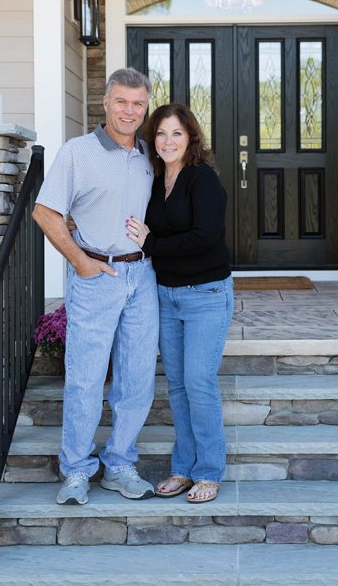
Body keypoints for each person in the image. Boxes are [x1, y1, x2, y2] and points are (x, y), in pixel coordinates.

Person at [32, 68, 159, 505]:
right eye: (121, 101)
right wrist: (81, 262)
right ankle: (76, 471)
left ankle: (120, 464)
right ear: (105, 103)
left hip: (141, 277)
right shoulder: (77, 153)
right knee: (85, 379)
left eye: (138, 103)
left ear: (146, 107)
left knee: (137, 377)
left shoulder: (149, 154)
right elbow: (46, 212)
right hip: (96, 276)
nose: (130, 111)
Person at [126, 103, 234, 503]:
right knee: (176, 386)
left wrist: (152, 244)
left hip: (206, 294)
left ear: (191, 138)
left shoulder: (202, 179)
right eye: (160, 134)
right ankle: (184, 469)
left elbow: (204, 236)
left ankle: (209, 471)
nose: (168, 141)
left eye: (176, 133)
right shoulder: (155, 179)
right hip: (166, 296)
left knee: (199, 383)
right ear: (152, 140)